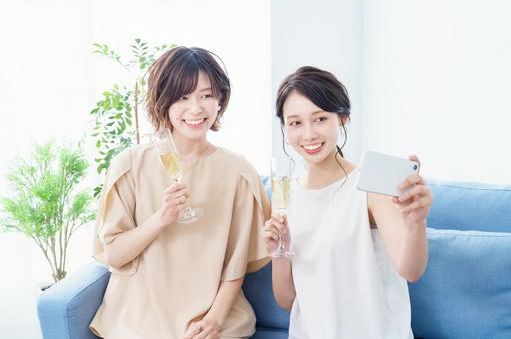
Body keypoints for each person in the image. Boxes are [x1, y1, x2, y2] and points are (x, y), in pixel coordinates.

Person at [90, 46, 270, 339]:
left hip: (212, 317)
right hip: (140, 318)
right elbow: (114, 254)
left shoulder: (239, 173)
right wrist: (160, 219)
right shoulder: (130, 165)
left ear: (220, 98)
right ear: (164, 102)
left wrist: (213, 321)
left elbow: (236, 264)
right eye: (182, 97)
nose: (196, 109)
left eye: (206, 95)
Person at [264, 66, 433, 338]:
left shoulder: (369, 186)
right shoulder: (285, 196)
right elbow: (288, 301)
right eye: (295, 123)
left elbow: (410, 270)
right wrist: (279, 253)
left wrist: (416, 222)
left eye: (320, 119)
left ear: (342, 119)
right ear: (285, 129)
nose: (308, 134)